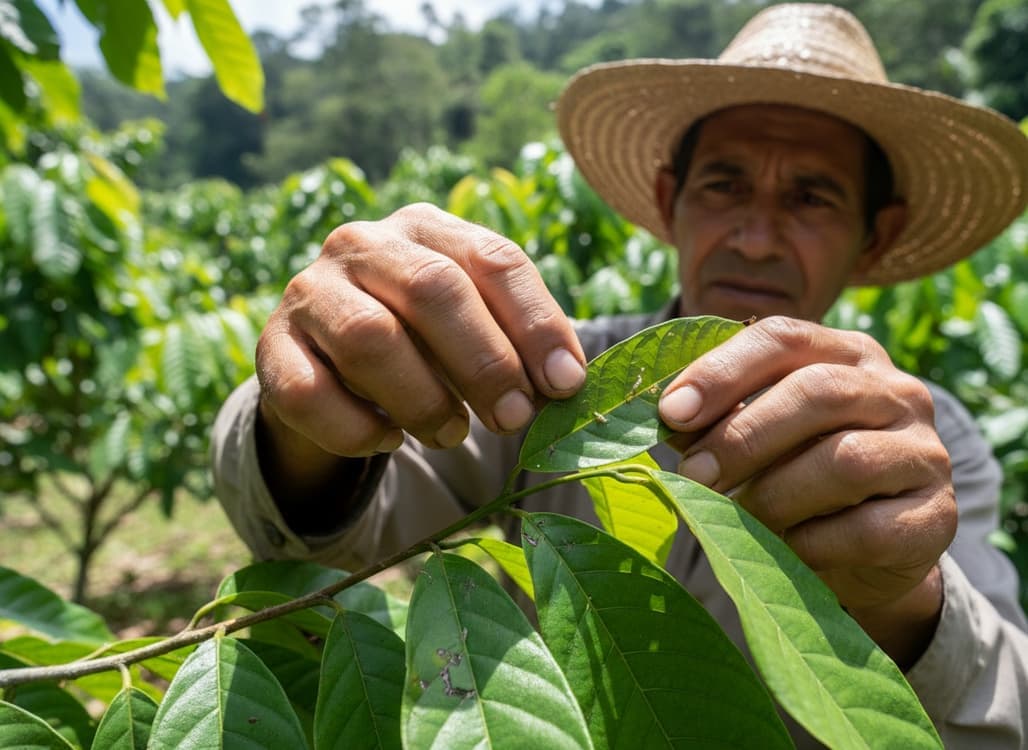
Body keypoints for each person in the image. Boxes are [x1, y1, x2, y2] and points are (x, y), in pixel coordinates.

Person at [211, 3, 1028, 746]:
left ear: (875, 237)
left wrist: (902, 595)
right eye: (725, 183)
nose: (755, 236)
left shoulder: (933, 441)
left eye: (811, 197)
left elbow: (1003, 707)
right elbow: (329, 521)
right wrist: (311, 402)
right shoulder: (560, 372)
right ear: (671, 200)